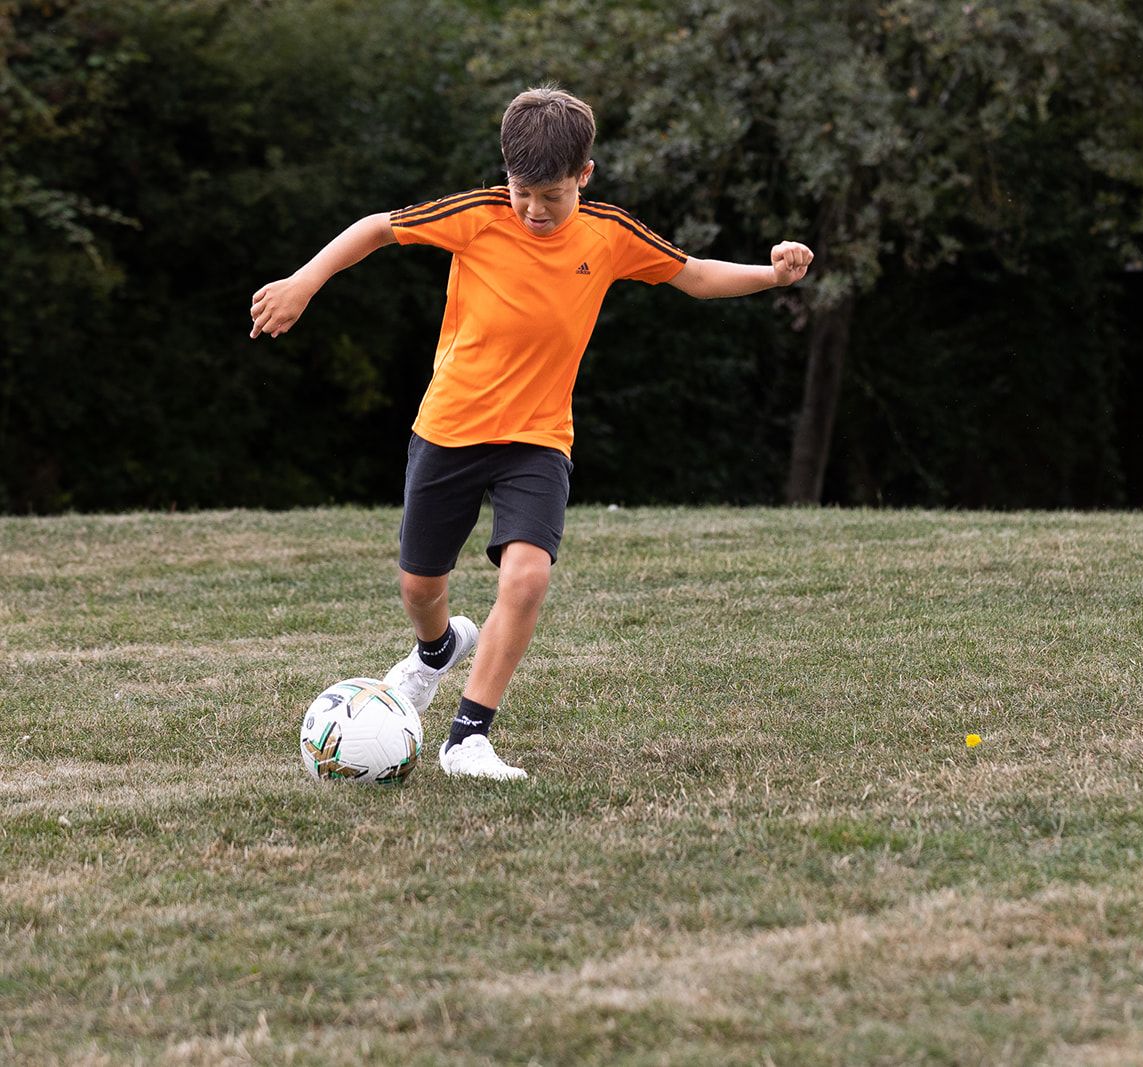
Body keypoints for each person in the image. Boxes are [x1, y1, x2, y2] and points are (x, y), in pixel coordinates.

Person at [249, 86, 813, 780]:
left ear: (585, 175)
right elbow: (374, 227)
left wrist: (773, 274)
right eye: (522, 192)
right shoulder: (477, 216)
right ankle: (434, 651)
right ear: (503, 176)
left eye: (552, 194)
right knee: (421, 585)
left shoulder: (609, 234)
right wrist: (303, 282)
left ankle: (468, 737)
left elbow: (694, 276)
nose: (535, 210)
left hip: (539, 437)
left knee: (528, 573)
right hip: (451, 427)